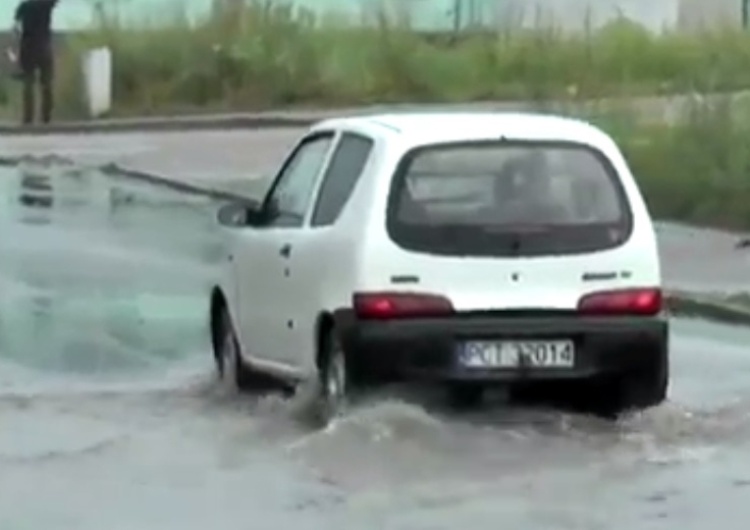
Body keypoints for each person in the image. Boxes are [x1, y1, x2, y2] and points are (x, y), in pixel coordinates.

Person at [12, 0, 59, 125]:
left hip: (27, 48)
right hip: (44, 47)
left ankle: (28, 118)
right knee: (47, 84)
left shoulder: (24, 6)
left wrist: (20, 38)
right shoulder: (46, 4)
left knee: (28, 84)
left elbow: (15, 28)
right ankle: (46, 117)